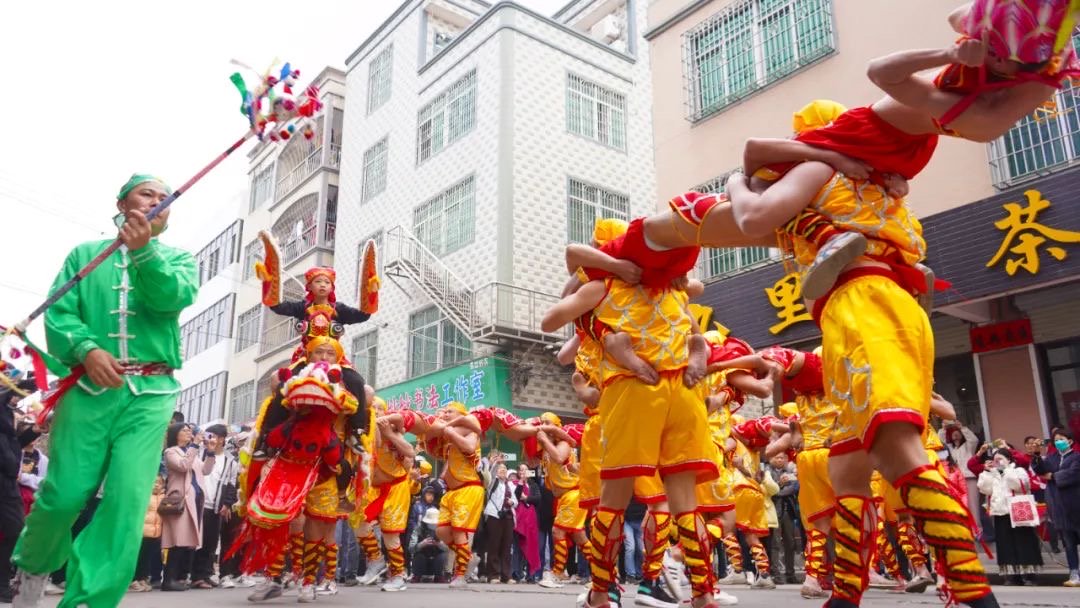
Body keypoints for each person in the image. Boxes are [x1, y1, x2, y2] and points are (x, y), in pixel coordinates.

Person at [12, 174, 198, 608]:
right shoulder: (84, 255)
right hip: (89, 390)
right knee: (63, 496)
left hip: (151, 394)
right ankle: (34, 566)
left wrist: (144, 252)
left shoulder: (179, 259)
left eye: (162, 197)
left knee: (127, 502)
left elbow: (171, 297)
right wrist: (86, 348)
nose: (155, 201)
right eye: (146, 193)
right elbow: (59, 313)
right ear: (122, 203)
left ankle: (89, 600)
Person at [977, 449, 1042, 585]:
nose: (997, 462)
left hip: (1017, 510)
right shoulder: (993, 473)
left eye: (1000, 458)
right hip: (1001, 512)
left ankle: (1029, 574)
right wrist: (987, 472)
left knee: (1024, 542)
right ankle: (1012, 575)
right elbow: (985, 489)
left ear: (1009, 459)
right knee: (1006, 544)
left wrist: (1006, 469)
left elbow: (1019, 485)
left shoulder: (1018, 471)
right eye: (995, 460)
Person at [1042, 429, 1080, 587]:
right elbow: (1041, 470)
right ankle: (1074, 573)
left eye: (1061, 439)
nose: (1058, 442)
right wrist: (1037, 456)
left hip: (1076, 504)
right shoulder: (1052, 458)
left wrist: (1054, 476)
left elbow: (1074, 474)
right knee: (1069, 543)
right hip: (1059, 507)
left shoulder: (1077, 457)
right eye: (1056, 440)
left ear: (1070, 440)